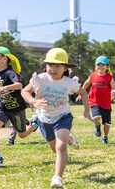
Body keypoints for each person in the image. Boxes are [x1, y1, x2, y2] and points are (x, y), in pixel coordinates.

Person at [21, 48, 93, 188]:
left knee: (61, 147)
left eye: (58, 65)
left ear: (65, 67)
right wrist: (33, 102)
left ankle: (57, 177)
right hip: (44, 119)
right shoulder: (41, 79)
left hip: (62, 117)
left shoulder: (68, 82)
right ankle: (70, 139)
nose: (53, 68)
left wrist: (86, 110)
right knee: (55, 149)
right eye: (50, 65)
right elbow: (25, 91)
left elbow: (83, 92)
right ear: (46, 66)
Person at [0, 47, 38, 167]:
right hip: (2, 107)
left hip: (16, 109)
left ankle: (35, 124)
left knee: (22, 135)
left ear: (4, 59)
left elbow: (19, 85)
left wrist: (4, 88)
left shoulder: (10, 72)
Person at [76, 55, 115, 144]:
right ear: (95, 67)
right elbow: (86, 84)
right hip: (94, 102)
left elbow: (114, 87)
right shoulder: (92, 76)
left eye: (103, 65)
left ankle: (105, 137)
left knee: (107, 123)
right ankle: (97, 125)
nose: (100, 67)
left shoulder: (109, 77)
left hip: (106, 103)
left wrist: (114, 91)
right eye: (98, 65)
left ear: (107, 67)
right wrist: (81, 93)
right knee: (96, 117)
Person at [6, 63, 46, 146]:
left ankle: (34, 123)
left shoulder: (15, 76)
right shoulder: (3, 77)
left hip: (19, 105)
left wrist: (32, 101)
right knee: (16, 126)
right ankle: (12, 139)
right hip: (11, 105)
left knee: (22, 134)